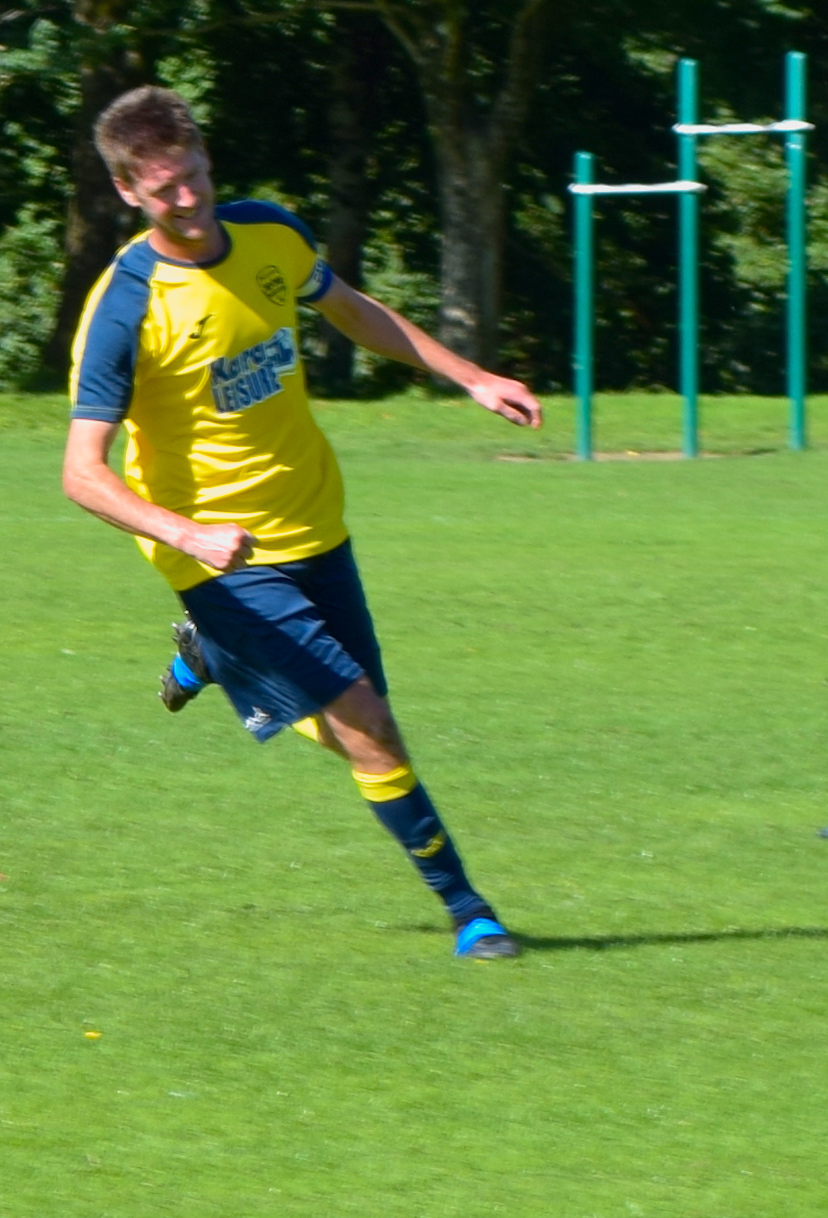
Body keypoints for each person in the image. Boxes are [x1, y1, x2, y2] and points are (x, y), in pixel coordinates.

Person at [60, 86, 543, 960]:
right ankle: (471, 912)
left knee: (367, 727)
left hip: (314, 522)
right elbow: (80, 475)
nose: (189, 201)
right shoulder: (126, 306)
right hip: (216, 554)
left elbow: (355, 311)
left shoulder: (271, 234)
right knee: (370, 726)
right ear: (130, 192)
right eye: (165, 189)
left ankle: (215, 657)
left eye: (196, 176)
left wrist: (470, 376)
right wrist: (186, 536)